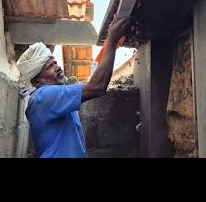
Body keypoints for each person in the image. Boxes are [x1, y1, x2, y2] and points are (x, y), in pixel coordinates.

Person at [16, 15, 131, 158]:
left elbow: (92, 77)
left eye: (55, 62)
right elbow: (97, 86)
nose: (58, 67)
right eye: (49, 67)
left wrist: (110, 45)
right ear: (37, 78)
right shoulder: (44, 96)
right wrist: (112, 41)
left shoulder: (51, 96)